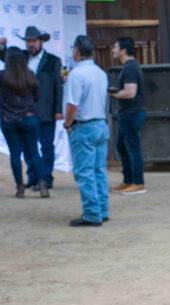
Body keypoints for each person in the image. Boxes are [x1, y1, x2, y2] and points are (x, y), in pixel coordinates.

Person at [63, 35, 109, 227]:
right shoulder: (100, 72)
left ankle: (91, 213)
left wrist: (67, 124)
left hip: (84, 126)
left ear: (76, 52)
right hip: (100, 124)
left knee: (85, 173)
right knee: (99, 170)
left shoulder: (76, 75)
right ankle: (102, 209)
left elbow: (73, 105)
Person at [0, 47, 49, 198]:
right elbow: (37, 96)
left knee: (15, 154)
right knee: (34, 152)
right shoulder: (30, 75)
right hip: (29, 117)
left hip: (9, 119)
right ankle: (42, 184)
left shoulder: (2, 76)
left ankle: (20, 188)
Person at [22, 24, 63, 192]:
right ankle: (33, 177)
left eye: (34, 41)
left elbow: (58, 87)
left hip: (46, 111)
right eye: (28, 41)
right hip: (25, 111)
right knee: (28, 147)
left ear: (41, 42)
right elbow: (6, 56)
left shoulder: (53, 61)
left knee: (47, 146)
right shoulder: (22, 59)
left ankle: (46, 179)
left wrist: (58, 110)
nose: (31, 44)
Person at [109, 36, 146, 195]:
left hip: (131, 113)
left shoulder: (130, 68)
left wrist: (114, 94)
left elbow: (130, 93)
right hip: (129, 113)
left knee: (132, 148)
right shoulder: (130, 66)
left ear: (123, 50)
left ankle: (138, 182)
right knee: (122, 147)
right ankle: (128, 180)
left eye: (115, 47)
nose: (112, 50)